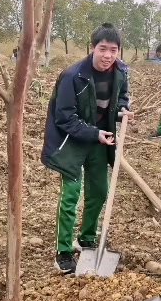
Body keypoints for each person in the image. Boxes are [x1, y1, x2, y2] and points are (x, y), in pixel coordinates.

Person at [41, 23, 130, 274]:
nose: (108, 55)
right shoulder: (73, 75)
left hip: (99, 142)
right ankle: (63, 250)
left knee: (99, 191)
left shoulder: (121, 72)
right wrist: (94, 133)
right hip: (71, 141)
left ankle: (87, 237)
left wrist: (122, 110)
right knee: (70, 195)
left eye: (113, 50)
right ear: (92, 48)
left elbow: (122, 96)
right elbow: (64, 117)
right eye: (103, 49)